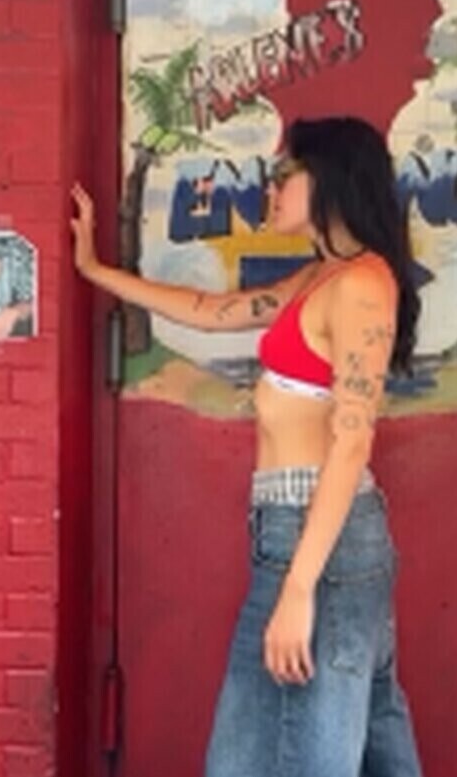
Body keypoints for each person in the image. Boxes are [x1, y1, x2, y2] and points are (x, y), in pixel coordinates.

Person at [70, 115, 424, 777]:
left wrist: (299, 586)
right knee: (359, 746)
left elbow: (351, 444)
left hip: (319, 541)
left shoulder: (361, 286)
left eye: (286, 174)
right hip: (301, 534)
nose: (272, 188)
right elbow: (212, 311)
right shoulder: (321, 277)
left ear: (331, 179)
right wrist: (95, 270)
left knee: (275, 758)